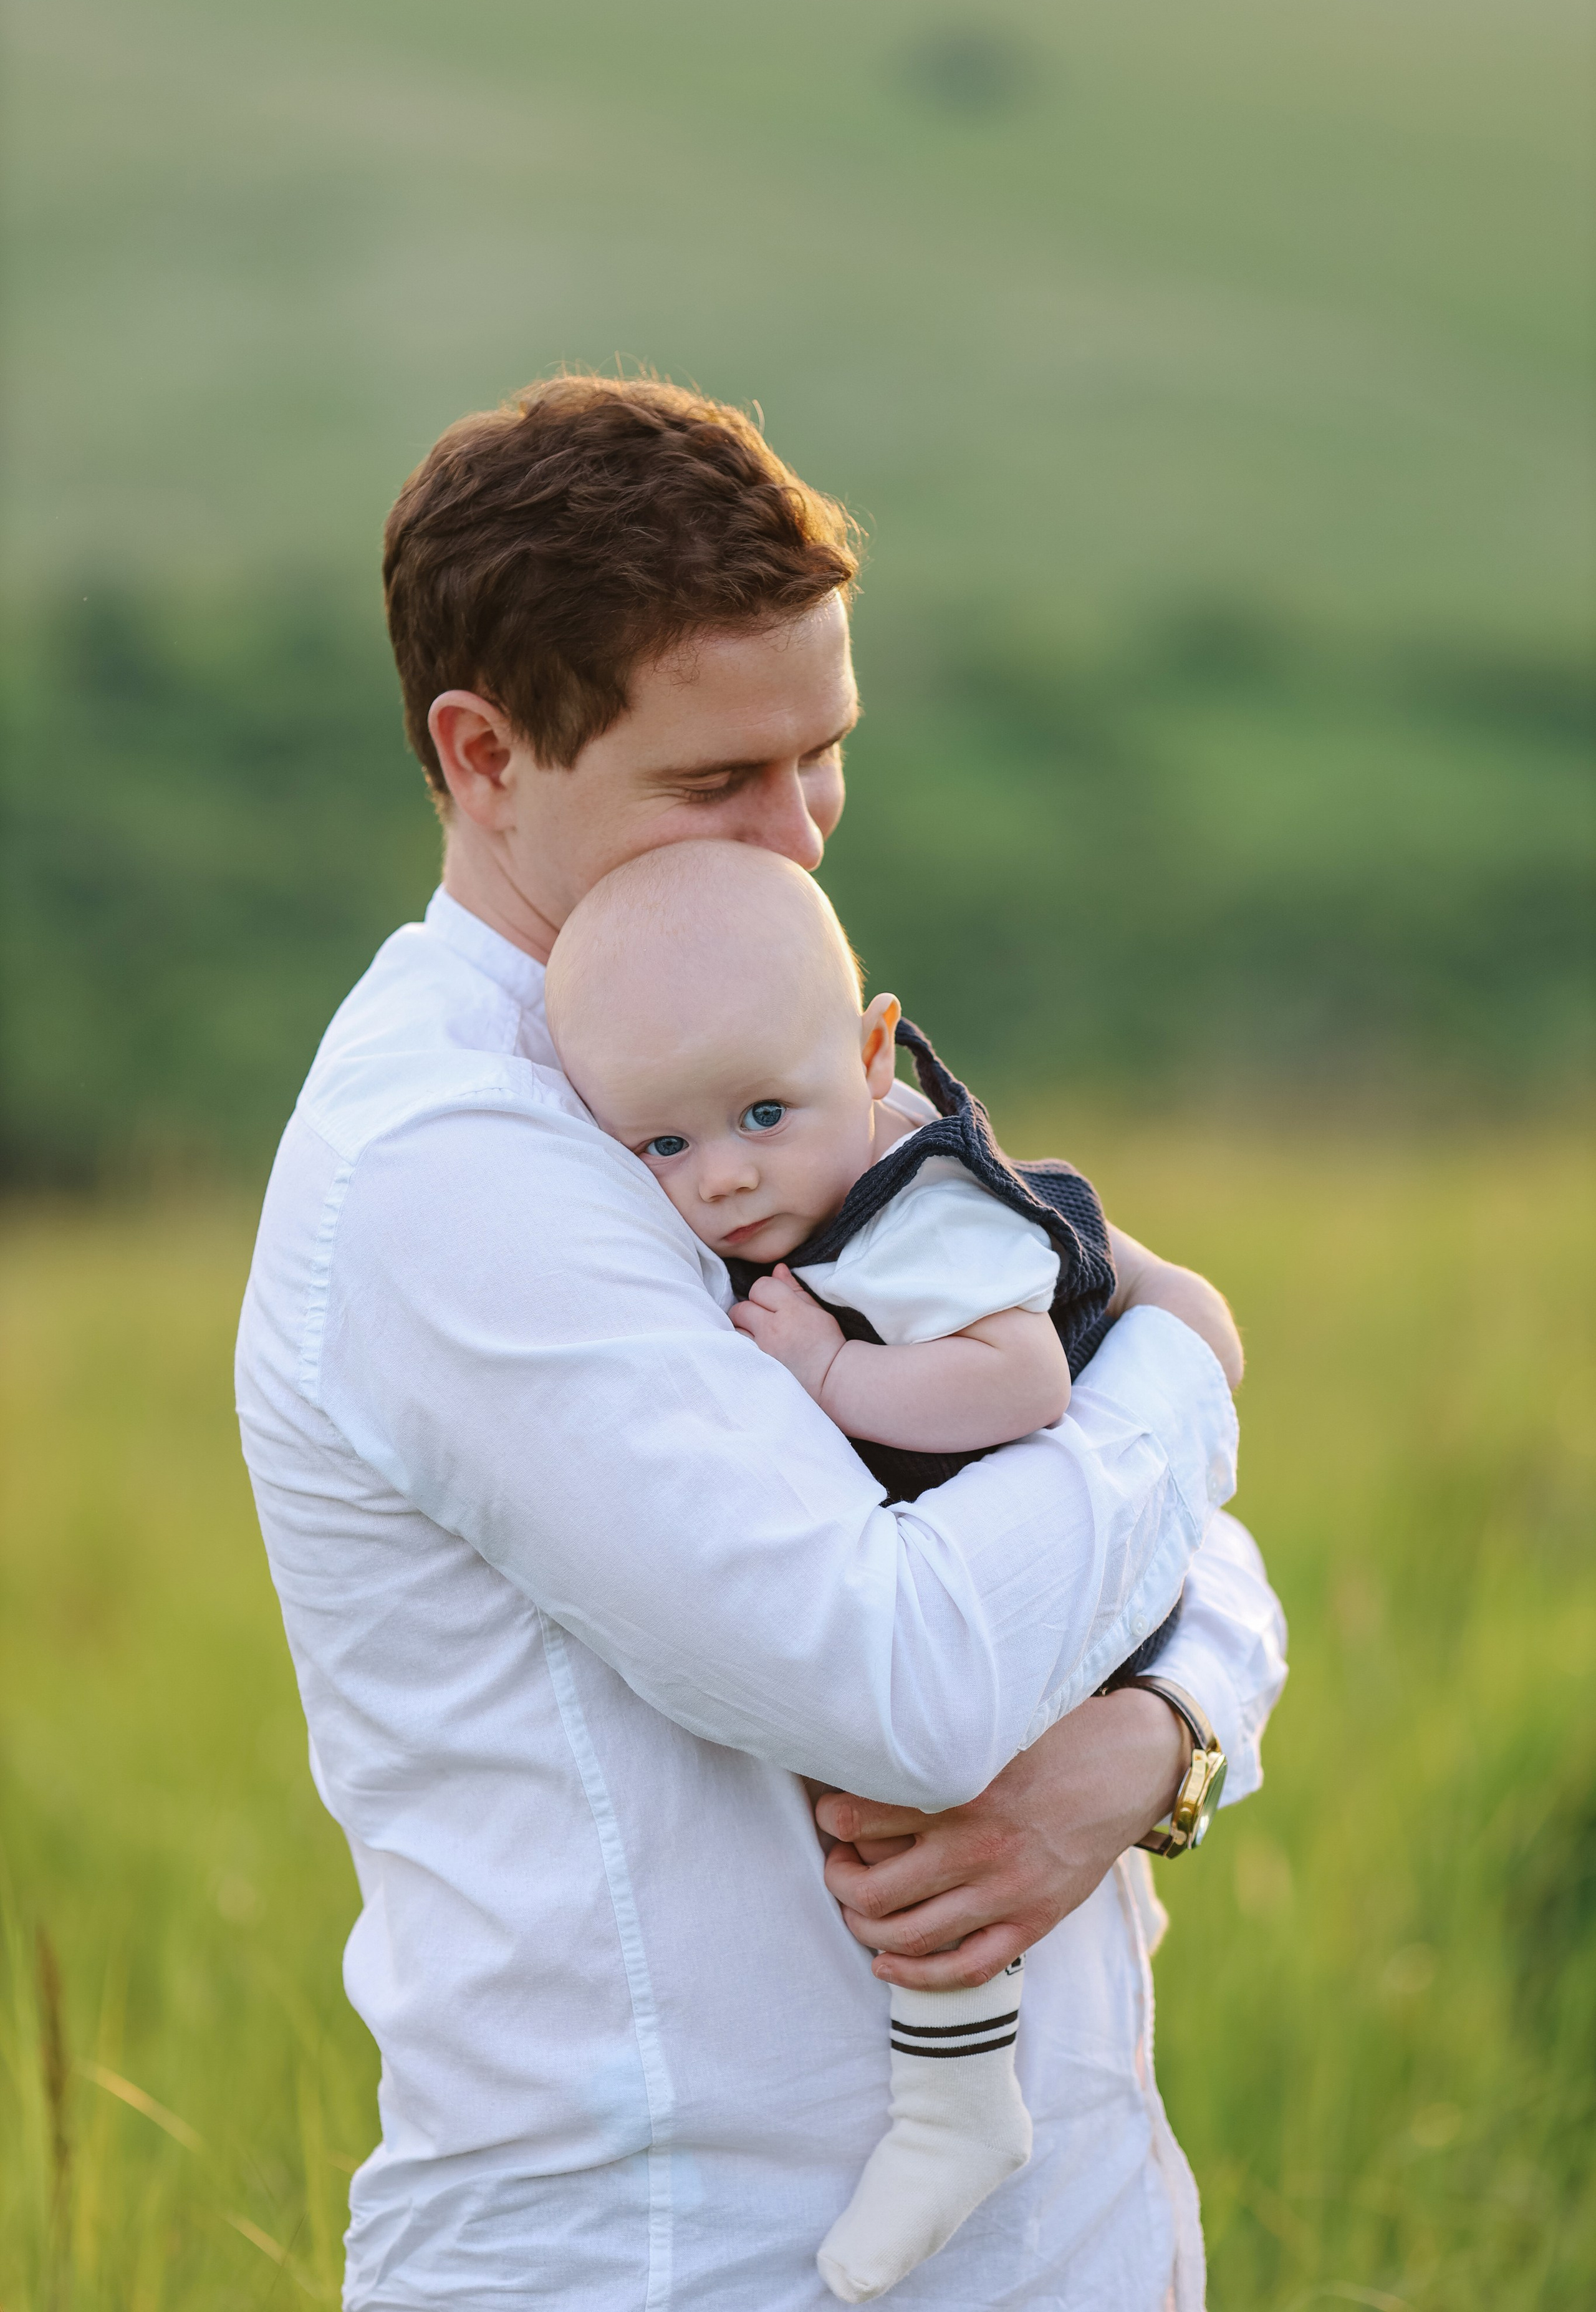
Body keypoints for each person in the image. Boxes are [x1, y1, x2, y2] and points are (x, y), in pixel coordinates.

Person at [235, 373, 1287, 2311]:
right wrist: (1183, 1370)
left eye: (829, 755)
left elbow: (1093, 1494)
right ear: (484, 757)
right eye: (723, 779)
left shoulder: (750, 1014)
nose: (798, 839)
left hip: (1060, 2230)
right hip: (684, 2255)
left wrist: (1165, 1728)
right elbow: (908, 1672)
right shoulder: (450, 1168)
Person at [542, 836, 1247, 2303]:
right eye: (664, 1149)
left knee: (924, 1821)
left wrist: (827, 1381)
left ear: (871, 1055)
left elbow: (1021, 1383)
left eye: (758, 1115)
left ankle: (951, 2111)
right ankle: (957, 2105)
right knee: (902, 1829)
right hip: (1011, 1568)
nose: (725, 1178)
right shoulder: (799, 1186)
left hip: (1053, 1592)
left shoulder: (914, 1207)